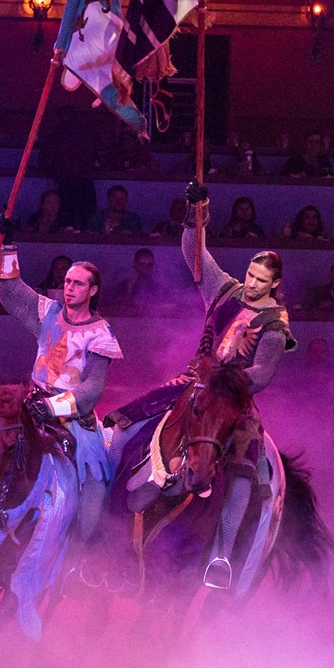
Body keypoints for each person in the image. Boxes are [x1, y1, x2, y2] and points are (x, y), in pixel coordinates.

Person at [105, 185, 295, 590]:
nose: (252, 284)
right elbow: (195, 253)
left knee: (243, 471)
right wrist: (196, 213)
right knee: (125, 424)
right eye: (250, 275)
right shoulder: (225, 289)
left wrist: (229, 377)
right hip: (193, 382)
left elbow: (263, 373)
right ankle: (107, 519)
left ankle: (221, 555)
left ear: (274, 284)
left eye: (261, 281)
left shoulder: (275, 323)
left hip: (234, 399)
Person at [0, 242, 124, 546]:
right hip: (32, 402)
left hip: (73, 416)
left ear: (92, 290)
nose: (69, 288)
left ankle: (82, 548)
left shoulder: (101, 332)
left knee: (94, 480)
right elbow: (10, 292)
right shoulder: (48, 311)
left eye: (78, 283)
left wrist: (53, 408)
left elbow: (92, 389)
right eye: (67, 282)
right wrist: (7, 247)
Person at [109, 246, 170, 311]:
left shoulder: (159, 290)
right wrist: (129, 289)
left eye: (149, 265)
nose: (145, 268)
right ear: (135, 265)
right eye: (142, 264)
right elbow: (116, 309)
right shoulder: (123, 286)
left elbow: (167, 308)